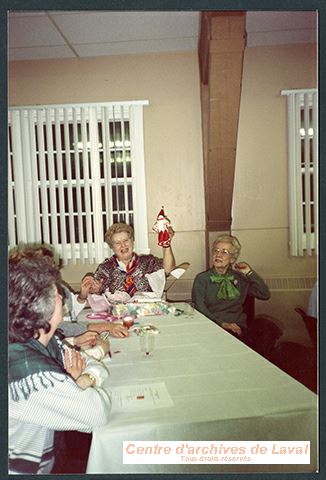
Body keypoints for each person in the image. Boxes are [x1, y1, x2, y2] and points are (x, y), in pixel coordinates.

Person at [9, 254, 112, 474]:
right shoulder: (29, 373)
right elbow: (96, 414)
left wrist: (83, 380)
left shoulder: (46, 341)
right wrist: (80, 382)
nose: (62, 298)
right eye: (55, 293)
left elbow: (93, 364)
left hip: (50, 460)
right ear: (40, 308)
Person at [9, 243, 128, 338]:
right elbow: (62, 328)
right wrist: (105, 327)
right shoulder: (31, 303)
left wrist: (82, 296)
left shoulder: (60, 289)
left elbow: (70, 314)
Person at [192, 234, 270, 342]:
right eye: (216, 251)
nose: (218, 255)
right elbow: (200, 308)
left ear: (232, 259)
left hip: (237, 329)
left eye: (224, 252)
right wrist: (222, 324)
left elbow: (264, 294)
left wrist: (249, 273)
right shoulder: (202, 279)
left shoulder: (239, 279)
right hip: (212, 327)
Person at [92, 222, 176, 295]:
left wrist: (166, 244)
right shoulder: (105, 268)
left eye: (126, 240)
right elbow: (94, 290)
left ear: (132, 241)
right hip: (117, 312)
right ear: (112, 247)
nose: (123, 245)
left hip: (145, 311)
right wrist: (96, 288)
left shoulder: (148, 262)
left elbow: (168, 269)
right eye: (117, 243)